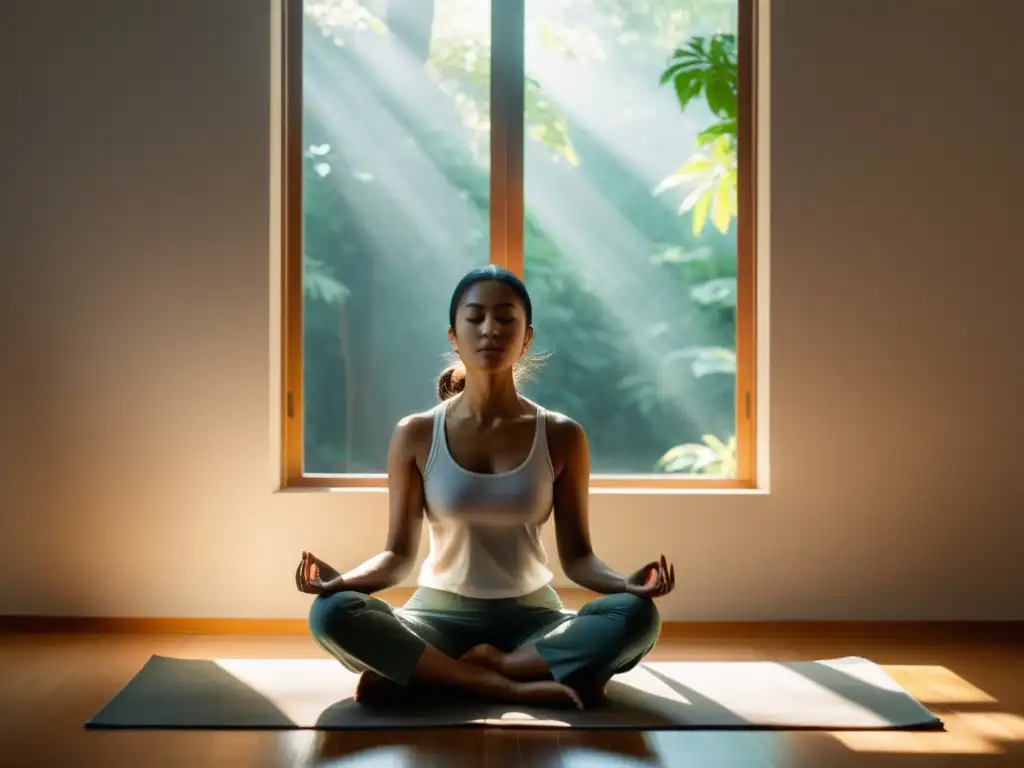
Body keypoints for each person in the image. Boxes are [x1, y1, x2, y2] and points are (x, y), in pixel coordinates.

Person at [296, 265, 675, 709]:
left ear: (527, 336)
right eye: (475, 318)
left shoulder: (562, 434)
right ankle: (505, 684)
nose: (490, 329)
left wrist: (627, 585)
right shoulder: (417, 433)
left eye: (505, 318)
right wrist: (340, 581)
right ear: (454, 336)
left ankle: (447, 673)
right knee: (332, 613)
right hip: (435, 620)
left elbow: (579, 559)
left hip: (534, 622)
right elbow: (397, 556)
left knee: (636, 618)